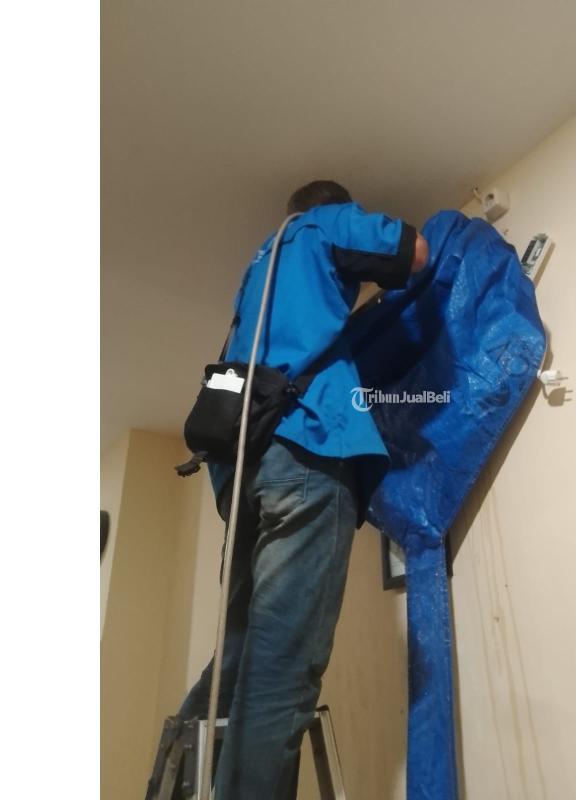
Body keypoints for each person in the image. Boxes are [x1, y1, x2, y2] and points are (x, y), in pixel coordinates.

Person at [168, 181, 428, 799]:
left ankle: (180, 785)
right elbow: (415, 252)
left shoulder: (256, 269)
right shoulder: (323, 225)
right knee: (281, 671)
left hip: (243, 473)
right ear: (326, 206)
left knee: (239, 654)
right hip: (306, 451)